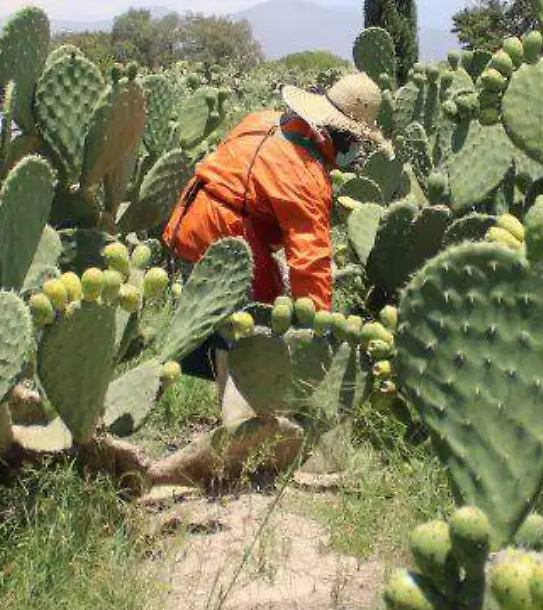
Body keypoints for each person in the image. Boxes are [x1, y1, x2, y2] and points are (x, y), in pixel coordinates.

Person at [147, 73, 387, 488]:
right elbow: (309, 259)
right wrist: (317, 335)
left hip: (189, 219)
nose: (357, 150)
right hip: (227, 236)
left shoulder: (264, 119)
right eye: (355, 141)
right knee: (247, 334)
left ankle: (235, 428)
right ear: (340, 136)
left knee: (227, 328)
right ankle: (237, 446)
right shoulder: (305, 173)